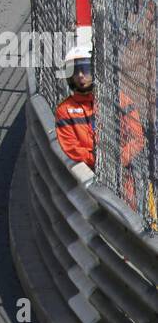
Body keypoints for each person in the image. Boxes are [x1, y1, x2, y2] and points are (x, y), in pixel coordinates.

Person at [55, 46, 145, 210]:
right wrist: (100, 162)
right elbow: (71, 147)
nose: (81, 75)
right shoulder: (65, 110)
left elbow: (138, 138)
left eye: (85, 70)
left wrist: (119, 159)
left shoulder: (120, 100)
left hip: (123, 175)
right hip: (88, 177)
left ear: (96, 71)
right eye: (75, 72)